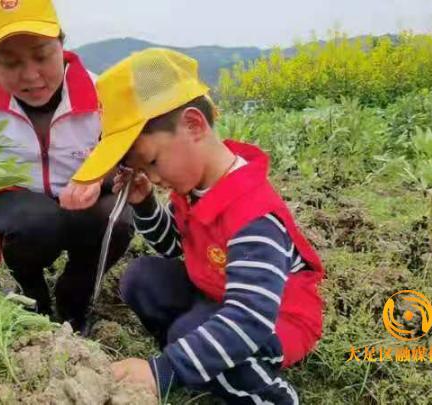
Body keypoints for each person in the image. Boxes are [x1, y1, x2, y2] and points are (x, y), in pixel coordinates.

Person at [69, 49, 325, 404]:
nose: (154, 178)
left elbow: (250, 318)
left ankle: (267, 393)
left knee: (206, 334)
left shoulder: (253, 216)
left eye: (153, 162)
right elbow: (177, 247)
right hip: (218, 294)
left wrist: (163, 370)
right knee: (142, 278)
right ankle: (195, 359)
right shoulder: (195, 186)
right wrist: (144, 203)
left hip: (272, 319)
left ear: (193, 125)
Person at [0, 0, 133, 330]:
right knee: (32, 221)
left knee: (116, 219)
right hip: (18, 206)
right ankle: (32, 297)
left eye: (42, 56)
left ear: (61, 44)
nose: (31, 76)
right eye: (9, 63)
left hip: (85, 203)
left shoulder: (104, 95)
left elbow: (130, 161)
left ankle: (74, 297)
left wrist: (97, 178)